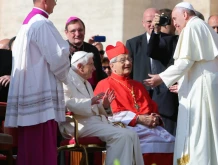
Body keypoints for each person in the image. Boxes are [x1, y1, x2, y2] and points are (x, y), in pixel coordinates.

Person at [144, 2, 218, 165]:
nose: (173, 23)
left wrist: (161, 78)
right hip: (204, 83)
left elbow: (184, 62)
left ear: (185, 15)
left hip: (201, 88)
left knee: (198, 130)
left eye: (174, 18)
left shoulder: (192, 27)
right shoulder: (202, 26)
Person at [4, 0, 70, 164]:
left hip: (30, 94)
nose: (56, 3)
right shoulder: (41, 23)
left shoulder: (27, 24)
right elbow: (57, 57)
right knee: (41, 148)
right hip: (41, 95)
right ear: (44, 1)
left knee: (30, 147)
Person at [94, 41, 175, 165]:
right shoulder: (104, 84)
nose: (128, 63)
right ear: (112, 65)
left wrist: (155, 118)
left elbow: (151, 107)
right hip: (126, 128)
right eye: (123, 60)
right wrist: (139, 119)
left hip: (148, 128)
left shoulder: (137, 85)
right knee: (145, 144)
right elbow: (110, 115)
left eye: (129, 59)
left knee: (173, 142)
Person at [59, 51, 144, 165]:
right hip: (77, 125)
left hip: (91, 122)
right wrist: (90, 102)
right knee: (121, 136)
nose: (94, 68)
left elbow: (92, 107)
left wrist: (104, 106)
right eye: (91, 64)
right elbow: (65, 104)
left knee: (132, 135)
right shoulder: (66, 79)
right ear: (80, 67)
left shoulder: (86, 82)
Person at [65, 17, 106, 89]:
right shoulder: (61, 50)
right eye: (73, 31)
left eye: (80, 30)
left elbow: (99, 73)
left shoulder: (92, 49)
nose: (77, 34)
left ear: (84, 31)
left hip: (92, 91)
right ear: (66, 33)